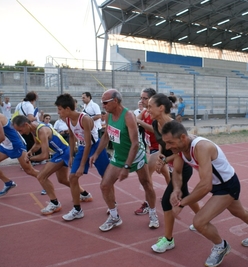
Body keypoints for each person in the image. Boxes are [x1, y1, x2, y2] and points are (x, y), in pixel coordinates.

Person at [161, 120, 248, 267]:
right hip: (219, 186)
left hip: (227, 186)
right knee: (239, 212)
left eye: (170, 143)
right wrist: (176, 189)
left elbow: (205, 185)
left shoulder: (201, 147)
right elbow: (178, 172)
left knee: (199, 222)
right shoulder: (180, 148)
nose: (168, 147)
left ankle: (221, 246)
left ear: (182, 138)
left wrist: (182, 203)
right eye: (165, 143)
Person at [90, 89, 159, 231]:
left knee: (147, 184)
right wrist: (96, 154)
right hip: (119, 156)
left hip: (136, 155)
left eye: (105, 102)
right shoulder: (109, 116)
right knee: (105, 185)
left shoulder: (128, 116)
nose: (103, 106)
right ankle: (114, 217)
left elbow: (135, 144)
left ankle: (152, 213)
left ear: (115, 101)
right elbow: (106, 136)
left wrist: (127, 167)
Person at [148, 94, 200, 253]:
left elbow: (181, 152)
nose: (147, 109)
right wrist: (161, 156)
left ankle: (168, 240)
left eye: (150, 106)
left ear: (161, 108)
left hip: (182, 166)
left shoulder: (175, 126)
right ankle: (202, 218)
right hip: (171, 165)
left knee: (166, 201)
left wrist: (164, 160)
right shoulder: (156, 123)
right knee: (184, 194)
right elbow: (163, 143)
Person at [12, 115, 93, 215]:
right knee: (62, 180)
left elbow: (45, 155)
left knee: (41, 176)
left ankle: (54, 203)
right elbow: (37, 144)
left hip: (63, 153)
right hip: (61, 152)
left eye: (20, 130)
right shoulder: (33, 129)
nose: (21, 133)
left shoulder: (42, 130)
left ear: (26, 124)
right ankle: (85, 194)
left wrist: (30, 158)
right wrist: (30, 152)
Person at [55, 93, 110, 221]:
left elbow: (89, 144)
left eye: (60, 109)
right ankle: (77, 209)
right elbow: (72, 137)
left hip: (95, 147)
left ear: (67, 109)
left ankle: (112, 204)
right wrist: (70, 156)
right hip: (82, 147)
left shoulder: (84, 119)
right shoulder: (67, 119)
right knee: (72, 177)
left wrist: (81, 165)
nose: (58, 113)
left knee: (105, 178)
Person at [135, 88, 170, 215]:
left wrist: (140, 122)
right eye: (141, 98)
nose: (142, 100)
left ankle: (148, 204)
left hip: (161, 149)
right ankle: (174, 193)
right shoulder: (144, 112)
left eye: (145, 98)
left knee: (147, 176)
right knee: (166, 174)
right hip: (153, 148)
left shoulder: (156, 115)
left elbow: (156, 129)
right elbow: (134, 120)